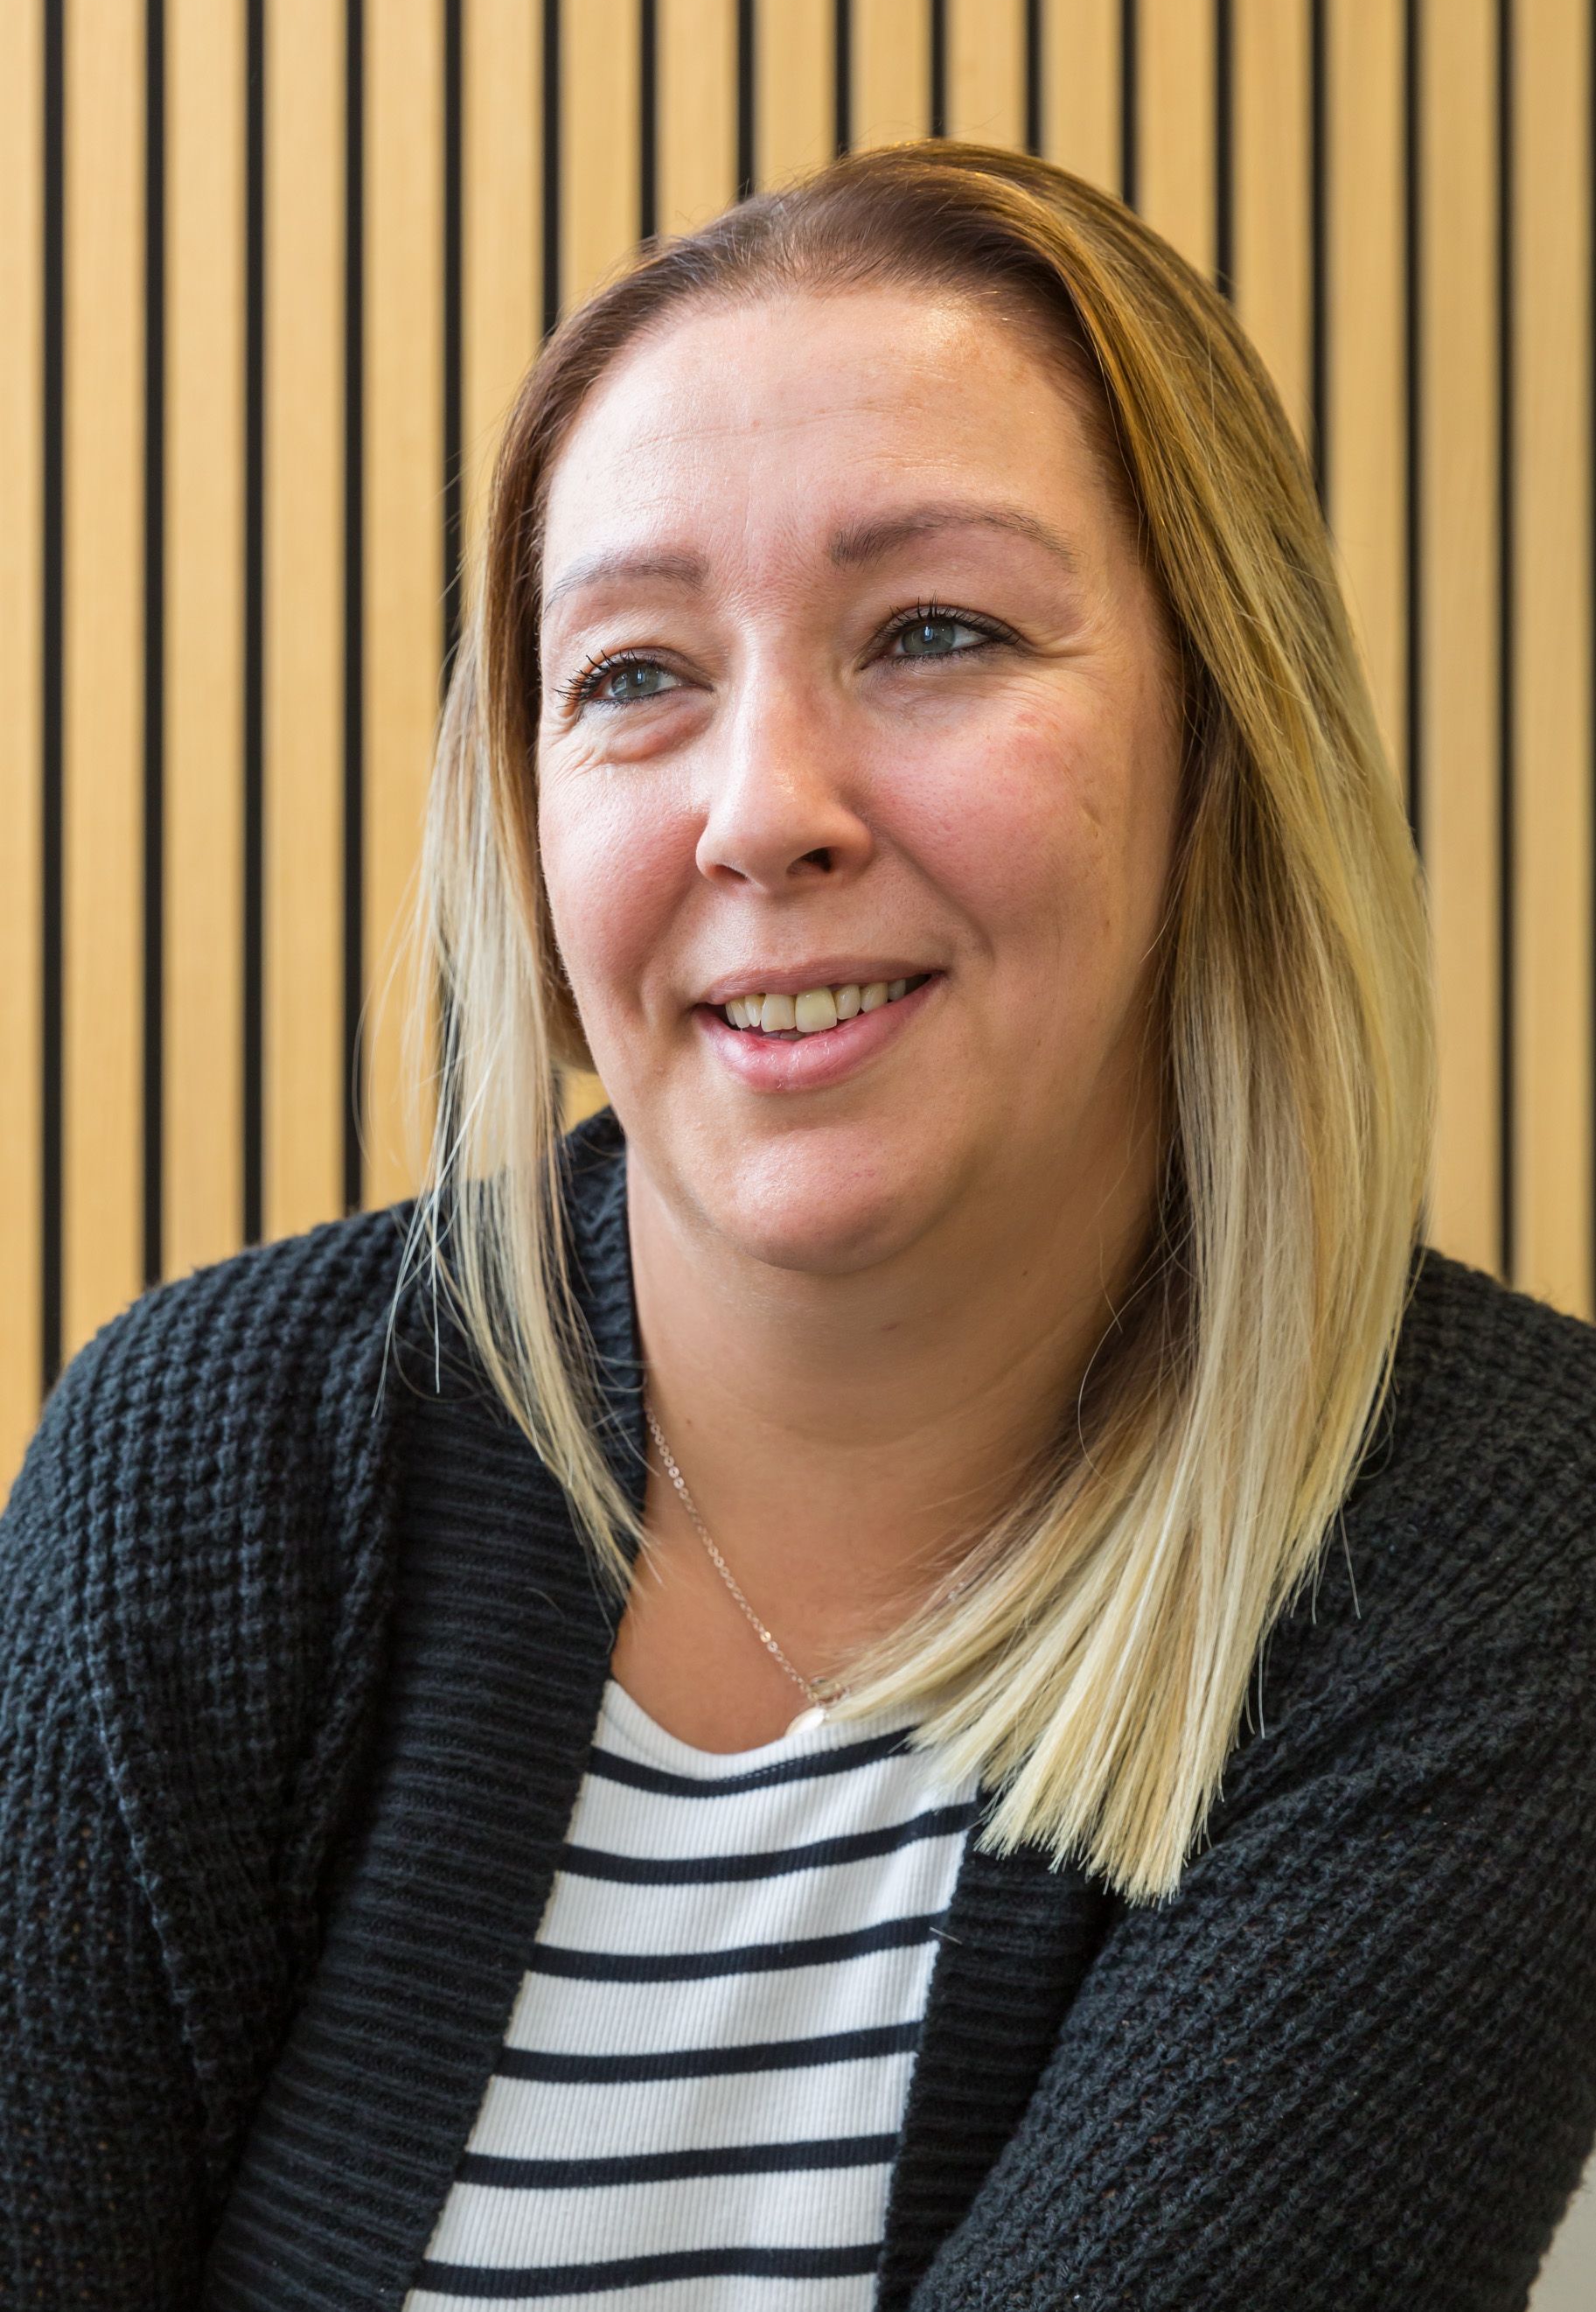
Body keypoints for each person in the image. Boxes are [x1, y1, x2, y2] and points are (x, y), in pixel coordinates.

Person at [3, 142, 1593, 2312]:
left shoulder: (1500, 1544)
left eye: (934, 631)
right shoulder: (215, 1461)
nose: (762, 809)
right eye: (633, 675)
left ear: (1223, 750)